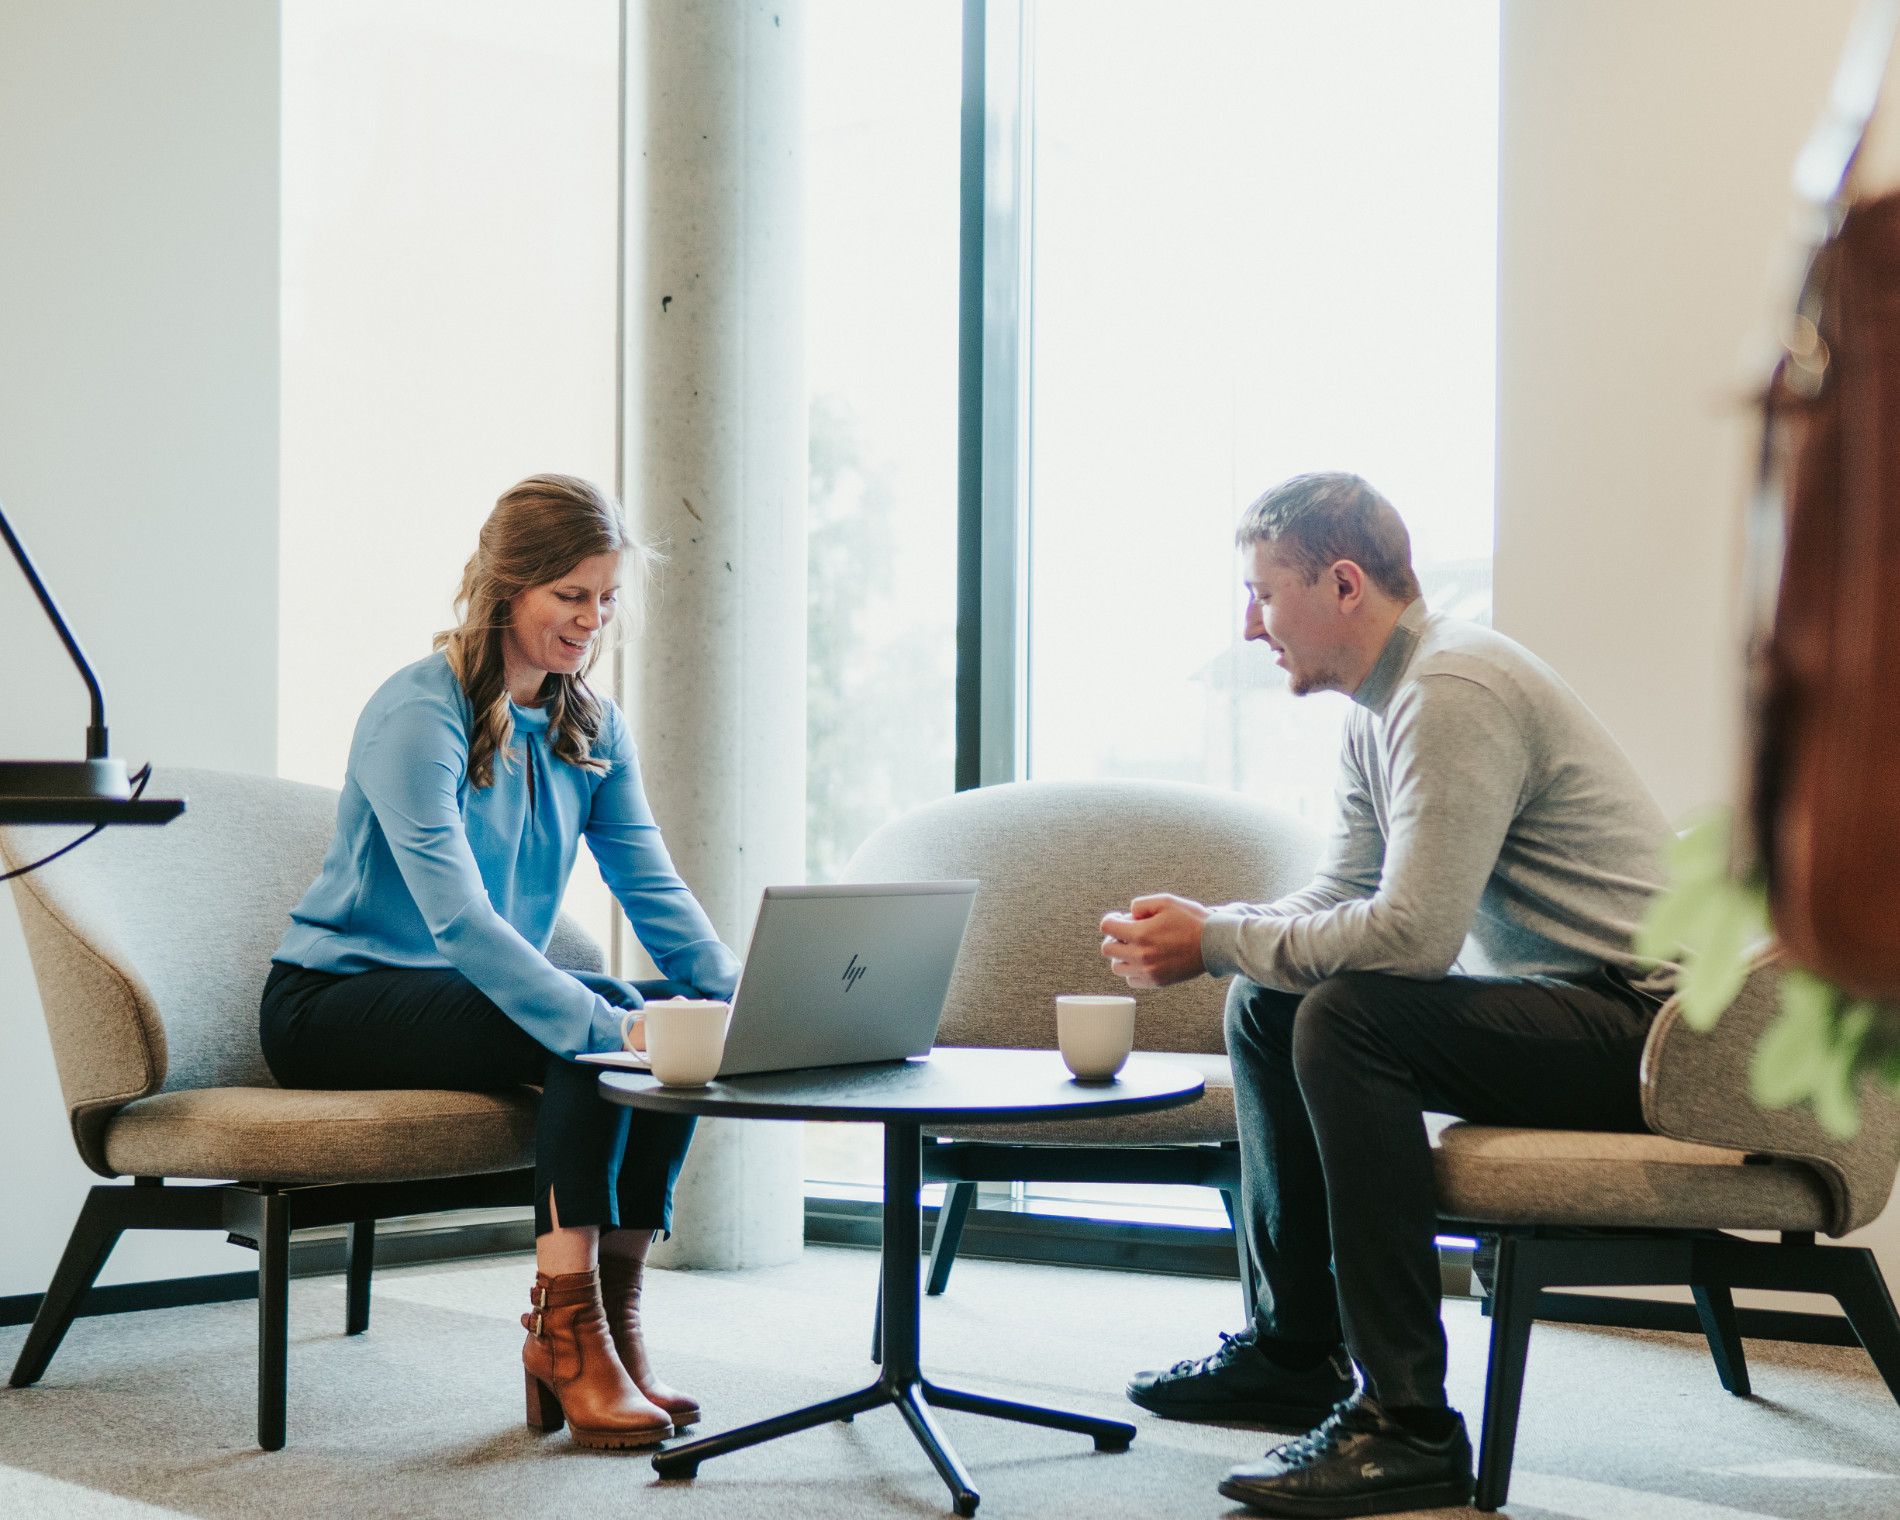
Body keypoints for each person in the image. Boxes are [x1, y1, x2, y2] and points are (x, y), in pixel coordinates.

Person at [1099, 473, 1675, 1518]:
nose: (1248, 623)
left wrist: (1219, 937)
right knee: (1270, 1001)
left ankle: (1404, 1420)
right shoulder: (1380, 705)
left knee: (1348, 1013)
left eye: (1262, 594)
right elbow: (1347, 890)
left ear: (1344, 583)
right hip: (1574, 1007)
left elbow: (1412, 936)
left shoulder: (1452, 690)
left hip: (1654, 1033)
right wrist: (1221, 931)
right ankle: (1294, 1344)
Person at [261, 474, 741, 1452]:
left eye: (606, 599)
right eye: (570, 595)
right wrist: (604, 1023)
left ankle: (612, 1323)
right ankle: (566, 1337)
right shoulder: (417, 713)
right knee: (590, 1025)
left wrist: (746, 1000)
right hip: (335, 1001)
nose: (592, 620)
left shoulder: (588, 723)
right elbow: (459, 921)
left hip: (468, 993)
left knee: (669, 1011)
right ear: (506, 586)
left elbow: (654, 889)